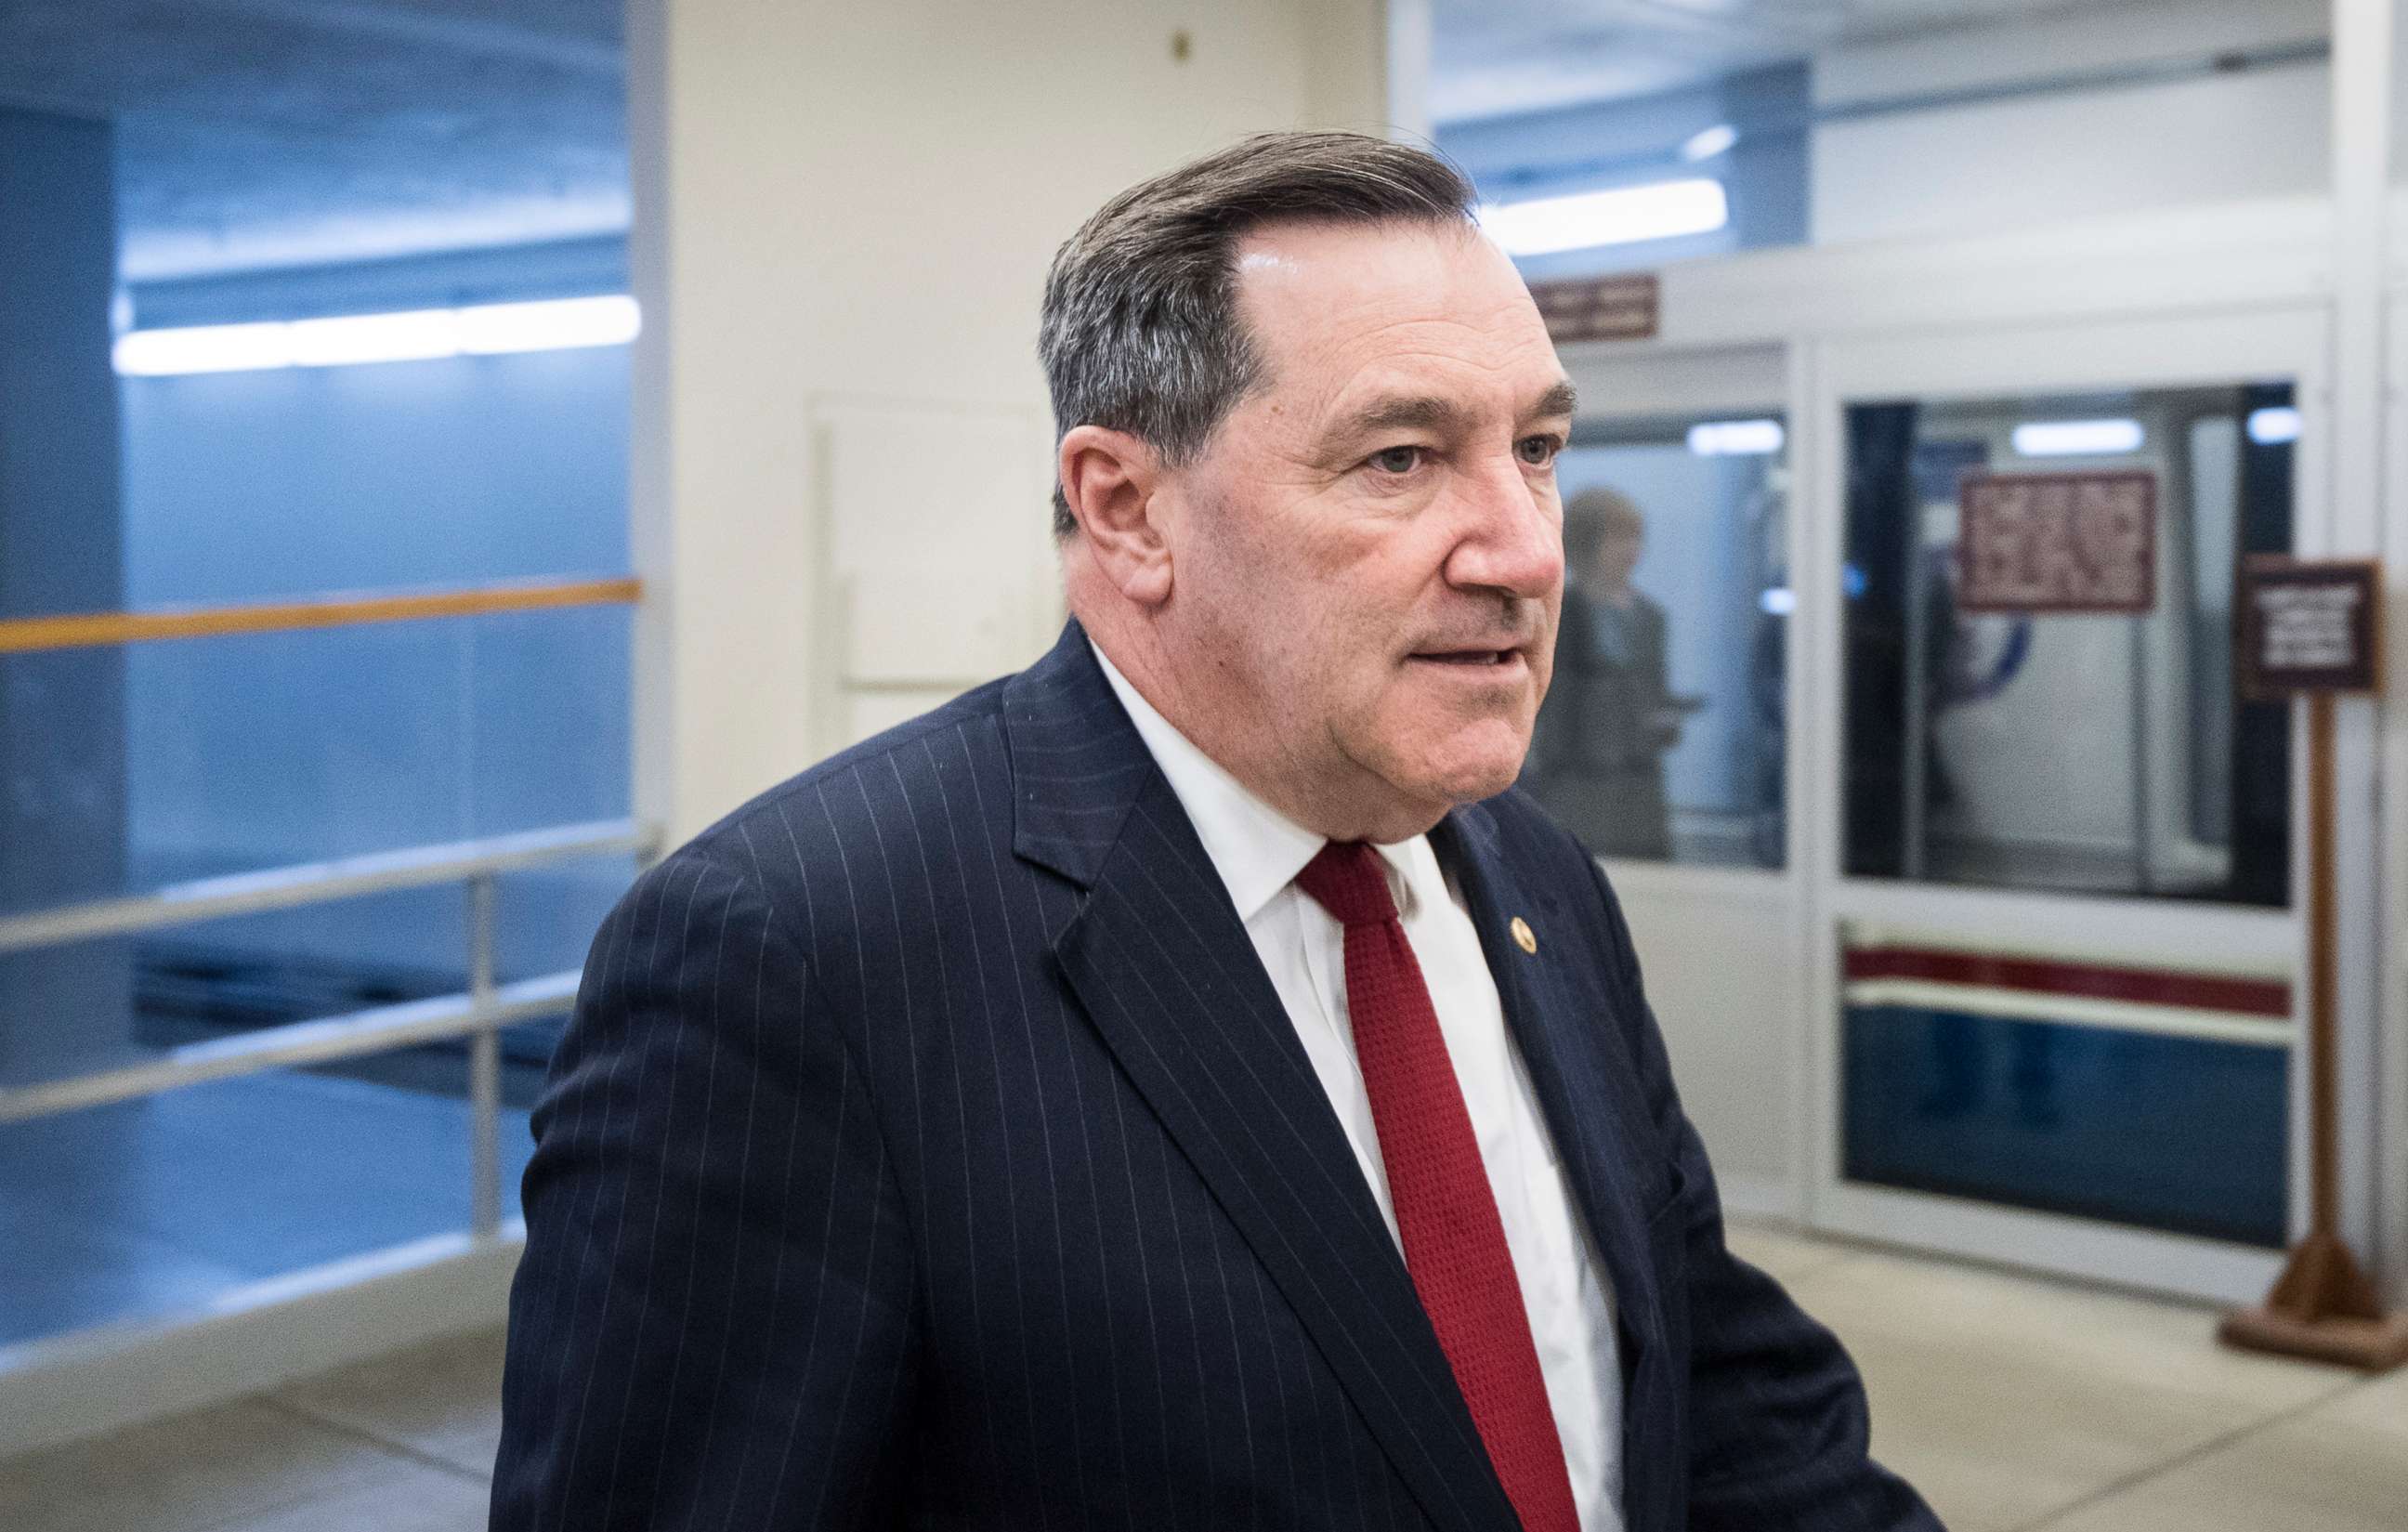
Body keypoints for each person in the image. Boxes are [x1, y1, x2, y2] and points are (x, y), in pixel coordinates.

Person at [491, 132, 1940, 1532]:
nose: (1525, 550)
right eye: (1399, 458)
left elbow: (1707, 1370)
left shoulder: (1533, 875)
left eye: (1539, 446)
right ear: (1125, 510)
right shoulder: (800, 959)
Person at [1525, 489, 1686, 859]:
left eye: (1635, 536)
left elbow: (1653, 690)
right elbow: (1551, 699)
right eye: (1618, 537)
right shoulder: (1560, 612)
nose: (1630, 548)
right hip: (1577, 782)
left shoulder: (1651, 616)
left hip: (1640, 782)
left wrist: (1665, 719)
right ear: (1586, 543)